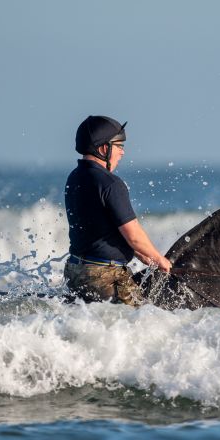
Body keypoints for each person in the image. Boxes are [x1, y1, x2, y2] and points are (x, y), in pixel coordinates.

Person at [64, 115, 172, 305]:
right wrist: (159, 259)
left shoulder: (75, 177)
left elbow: (99, 228)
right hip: (104, 276)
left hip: (75, 270)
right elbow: (134, 235)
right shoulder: (111, 184)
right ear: (104, 148)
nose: (122, 153)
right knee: (149, 320)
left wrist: (142, 255)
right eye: (119, 146)